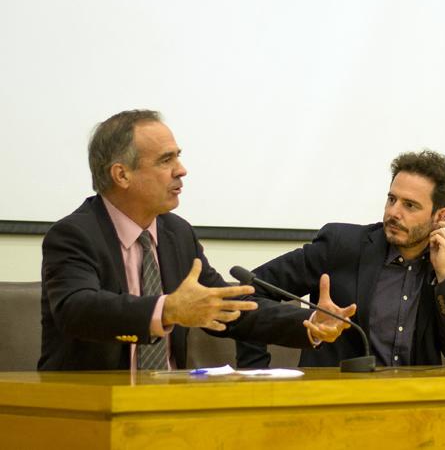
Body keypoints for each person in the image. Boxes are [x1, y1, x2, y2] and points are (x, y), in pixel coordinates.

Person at [39, 110, 350, 371]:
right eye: (165, 160)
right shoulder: (74, 235)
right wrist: (167, 310)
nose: (182, 170)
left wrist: (309, 320)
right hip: (89, 408)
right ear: (122, 175)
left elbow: (228, 306)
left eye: (179, 157)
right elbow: (77, 309)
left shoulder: (176, 234)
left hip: (172, 405)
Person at [236, 150, 445, 368]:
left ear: (440, 216)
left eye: (410, 206)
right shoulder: (342, 246)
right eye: (392, 199)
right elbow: (249, 292)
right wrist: (255, 372)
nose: (394, 212)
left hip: (412, 404)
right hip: (339, 399)